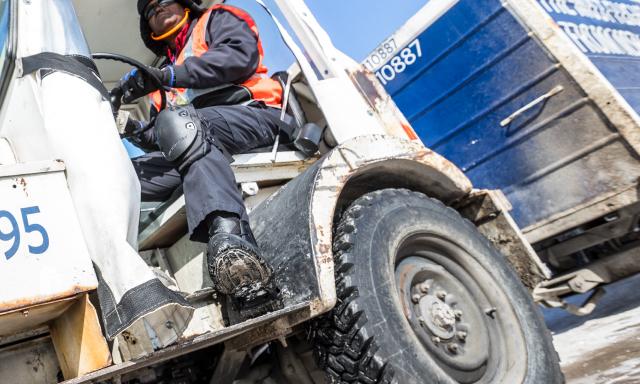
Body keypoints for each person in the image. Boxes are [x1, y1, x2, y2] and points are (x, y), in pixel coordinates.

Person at [115, 0, 287, 318]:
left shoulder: (216, 19)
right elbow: (161, 136)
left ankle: (234, 246)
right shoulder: (161, 77)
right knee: (122, 175)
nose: (157, 10)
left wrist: (169, 75)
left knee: (184, 124)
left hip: (253, 114)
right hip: (195, 134)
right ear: (148, 27)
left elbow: (238, 57)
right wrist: (134, 129)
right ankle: (129, 285)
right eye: (150, 12)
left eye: (164, 2)